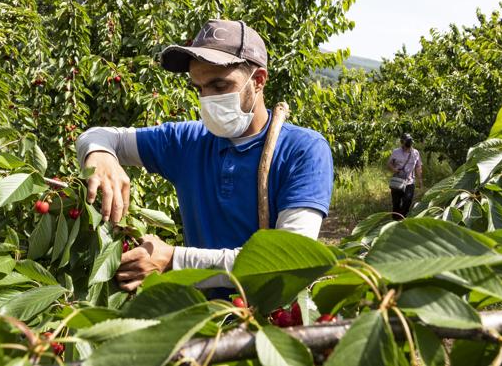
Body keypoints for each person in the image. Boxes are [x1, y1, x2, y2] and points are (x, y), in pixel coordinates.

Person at [75, 19, 334, 293]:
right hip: (198, 318)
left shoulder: (303, 151)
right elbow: (99, 135)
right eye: (199, 88)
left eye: (220, 86)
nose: (207, 98)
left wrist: (174, 260)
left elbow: (290, 258)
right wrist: (101, 155)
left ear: (258, 81)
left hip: (268, 323)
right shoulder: (188, 141)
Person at [386, 133, 423, 220]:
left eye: (409, 144)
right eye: (406, 144)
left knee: (408, 200)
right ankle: (395, 220)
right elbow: (389, 163)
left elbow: (418, 166)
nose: (407, 147)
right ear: (402, 143)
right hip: (397, 181)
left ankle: (402, 218)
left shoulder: (416, 153)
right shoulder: (396, 152)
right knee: (396, 202)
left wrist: (420, 180)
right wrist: (394, 169)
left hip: (409, 182)